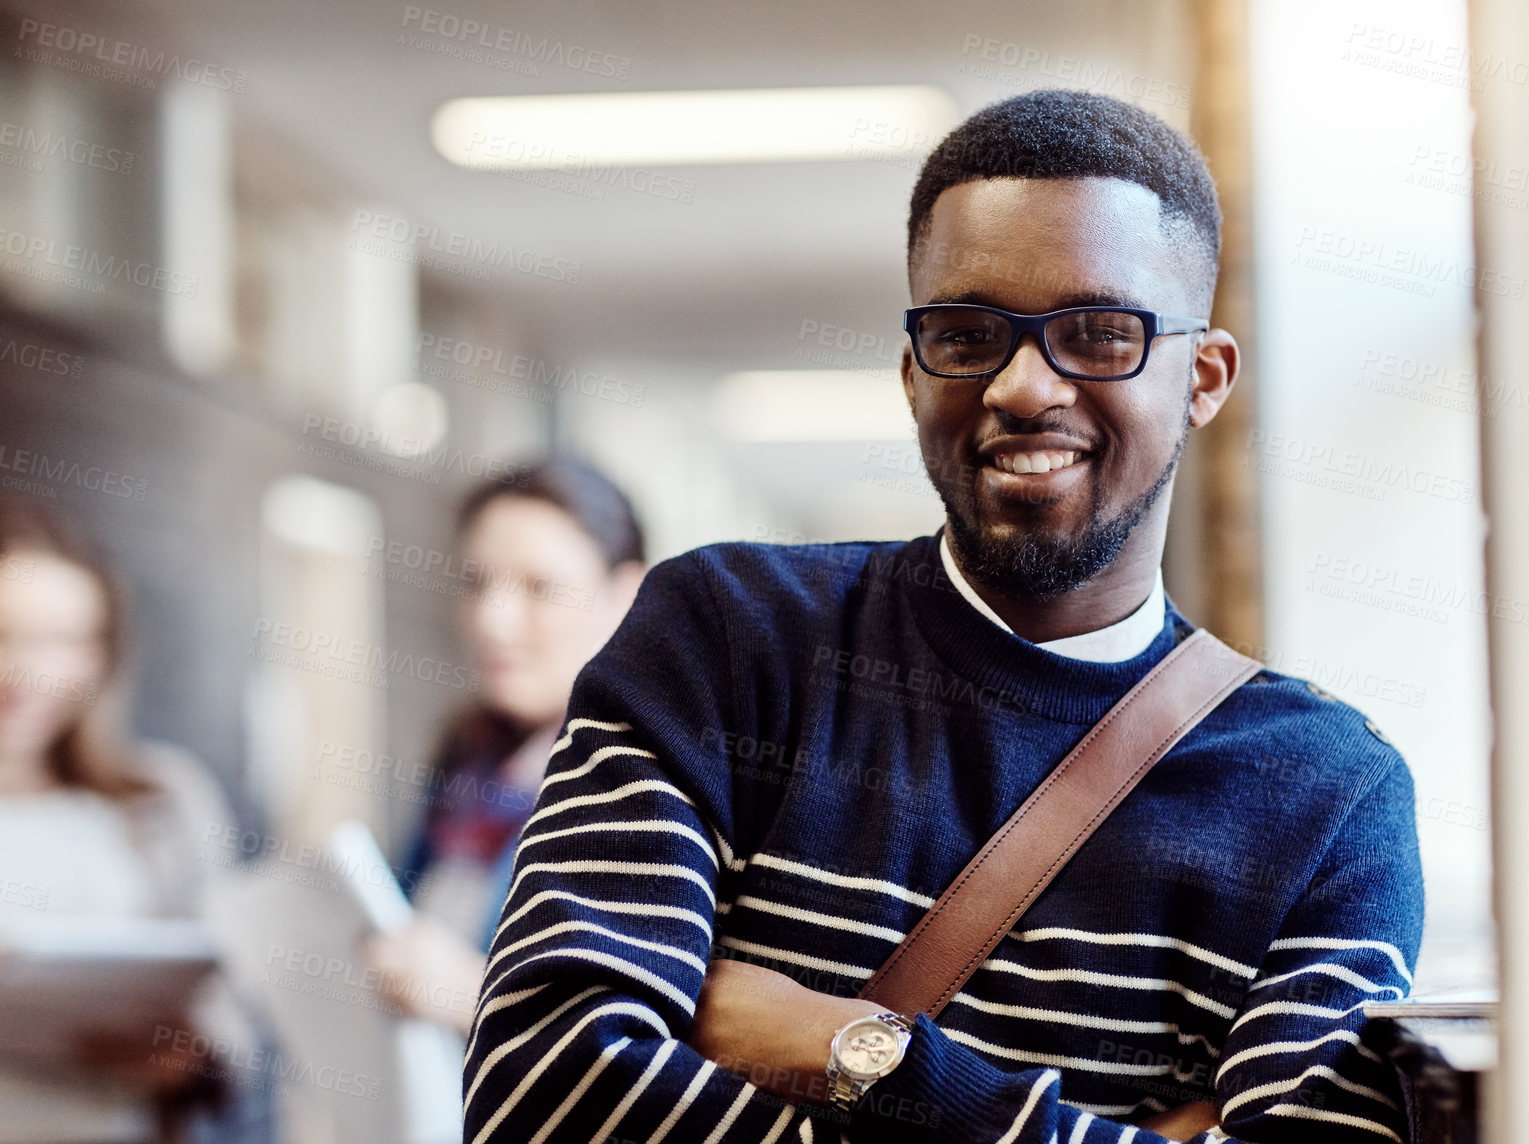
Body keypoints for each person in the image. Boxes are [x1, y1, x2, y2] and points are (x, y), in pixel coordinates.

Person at [463, 90, 1424, 1144]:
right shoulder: (725, 640)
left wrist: (856, 1054)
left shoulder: (1326, 798)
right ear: (914, 370)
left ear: (1201, 378)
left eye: (1099, 333)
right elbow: (540, 1094)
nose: (1023, 385)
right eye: (967, 333)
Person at [366, 459, 646, 1035]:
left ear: (625, 594)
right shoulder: (469, 756)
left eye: (539, 587)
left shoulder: (648, 786)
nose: (492, 619)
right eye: (476, 582)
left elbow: (658, 1041)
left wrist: (475, 996)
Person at [0, 497, 245, 1142]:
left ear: (102, 654)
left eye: (63, 641)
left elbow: (231, 1013)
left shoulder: (165, 799)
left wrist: (186, 1060)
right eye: (5, 634)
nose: (26, 672)